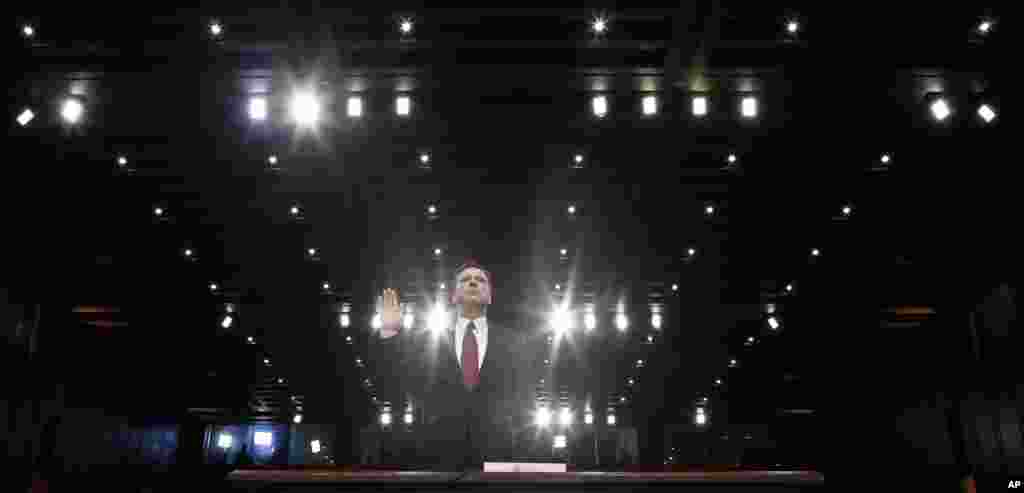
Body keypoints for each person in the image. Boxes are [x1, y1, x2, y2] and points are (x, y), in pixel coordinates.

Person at [369, 258, 543, 471]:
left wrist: (521, 457)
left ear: (490, 296)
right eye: (465, 280)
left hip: (498, 460)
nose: (472, 282)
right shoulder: (427, 342)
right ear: (453, 296)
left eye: (480, 280)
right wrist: (390, 336)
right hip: (440, 461)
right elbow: (397, 381)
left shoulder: (514, 342)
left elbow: (525, 403)